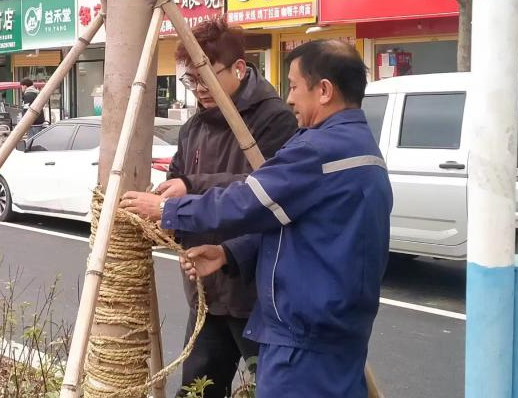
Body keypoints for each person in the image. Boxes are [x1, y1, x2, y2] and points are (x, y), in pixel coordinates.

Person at [120, 40, 392, 398]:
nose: (290, 98)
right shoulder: (361, 147)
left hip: (301, 335)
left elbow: (250, 200)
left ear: (324, 90)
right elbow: (295, 222)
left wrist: (169, 209)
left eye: (294, 86)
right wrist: (229, 253)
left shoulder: (313, 146)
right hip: (331, 326)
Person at [157, 20, 297, 398]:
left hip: (257, 293)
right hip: (205, 291)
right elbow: (176, 182)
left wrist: (191, 186)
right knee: (196, 390)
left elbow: (264, 192)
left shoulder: (274, 119)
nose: (200, 89)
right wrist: (166, 215)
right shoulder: (193, 127)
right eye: (191, 80)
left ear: (238, 68)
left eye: (206, 77)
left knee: (274, 389)